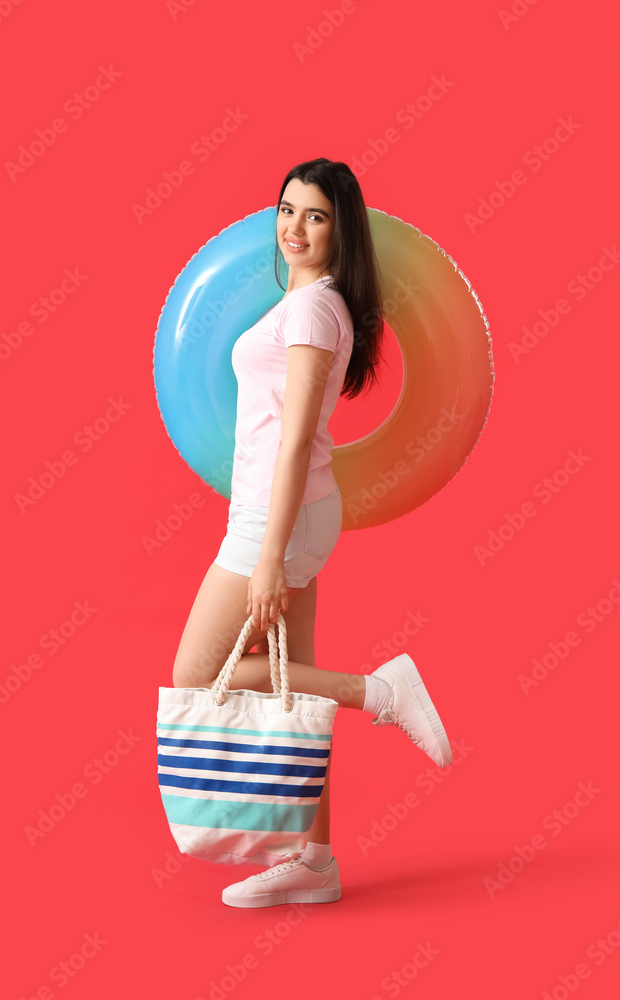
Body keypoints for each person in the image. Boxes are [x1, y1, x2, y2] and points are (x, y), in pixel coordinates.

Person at [172, 157, 452, 908]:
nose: (294, 227)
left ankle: (381, 689)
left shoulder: (308, 312)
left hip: (278, 516)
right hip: (283, 512)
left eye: (315, 216)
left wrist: (268, 557)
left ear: (340, 230)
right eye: (286, 209)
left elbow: (295, 438)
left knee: (201, 677)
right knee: (285, 685)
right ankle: (314, 860)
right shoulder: (310, 303)